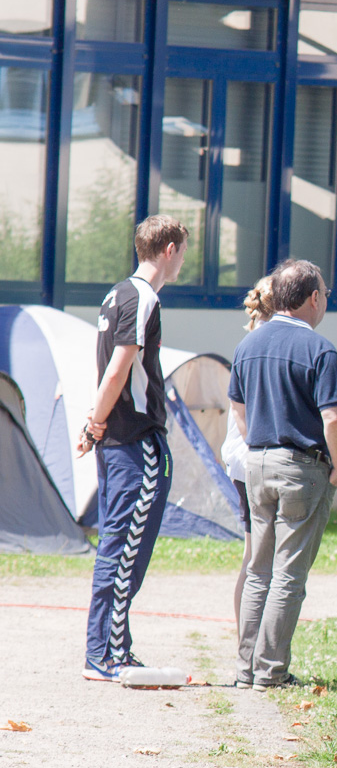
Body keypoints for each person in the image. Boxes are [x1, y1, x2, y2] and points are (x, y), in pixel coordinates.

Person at [230, 259, 337, 690]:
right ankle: (271, 671)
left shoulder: (249, 345)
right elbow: (333, 418)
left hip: (257, 463)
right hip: (302, 467)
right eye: (325, 294)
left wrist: (260, 448)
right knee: (288, 574)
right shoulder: (320, 349)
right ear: (313, 298)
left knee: (258, 570)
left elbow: (240, 412)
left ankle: (247, 669)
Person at [78, 215, 190, 681]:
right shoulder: (144, 297)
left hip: (116, 440)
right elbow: (119, 367)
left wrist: (94, 425)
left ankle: (110, 649)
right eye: (182, 251)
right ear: (168, 251)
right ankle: (105, 654)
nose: (183, 260)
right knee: (124, 551)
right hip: (135, 441)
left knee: (117, 548)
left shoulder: (116, 293)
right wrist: (96, 420)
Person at [221, 277, 275, 628]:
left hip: (243, 458)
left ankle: (249, 641)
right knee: (257, 558)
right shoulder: (265, 343)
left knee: (254, 555)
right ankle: (250, 643)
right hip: (252, 459)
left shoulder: (252, 339)